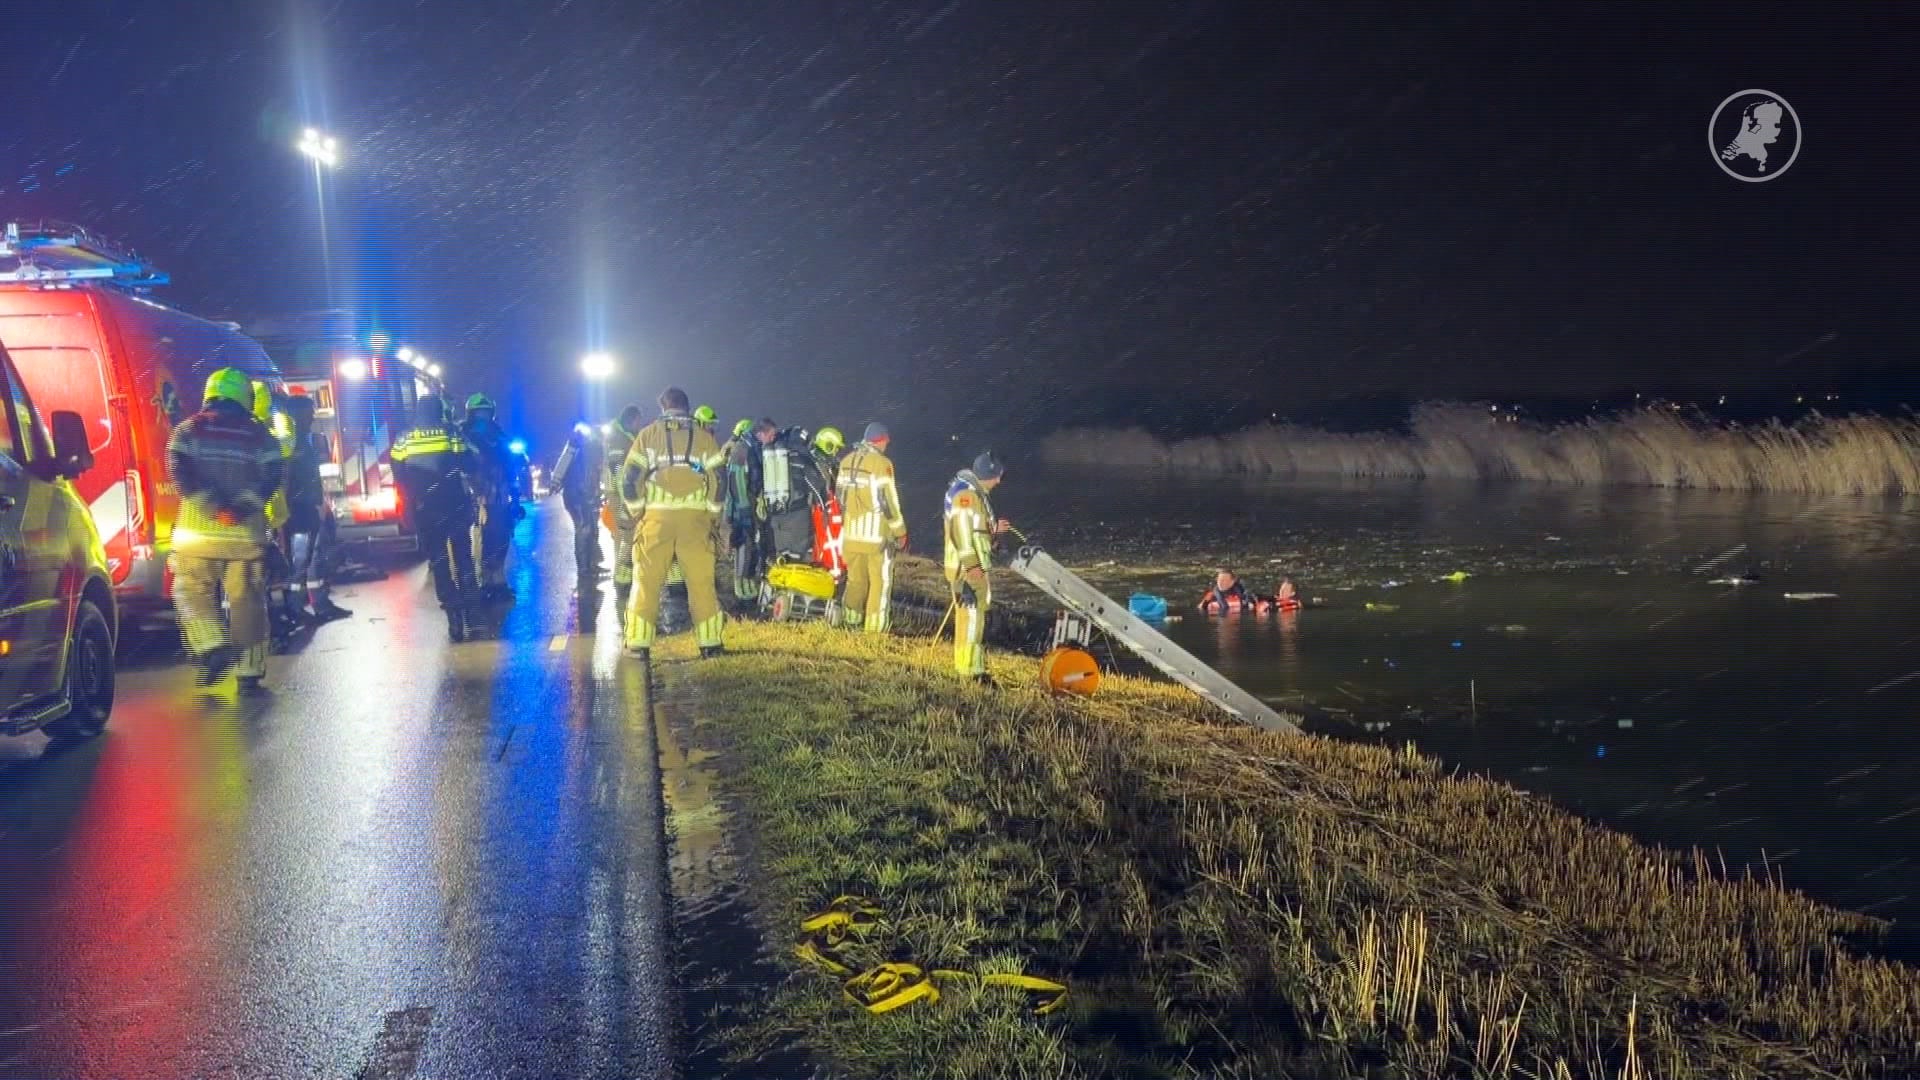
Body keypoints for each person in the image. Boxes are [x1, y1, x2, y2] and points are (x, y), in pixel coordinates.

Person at [168, 367, 284, 693]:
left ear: (210, 393)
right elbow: (272, 476)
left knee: (191, 591)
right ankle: (249, 671)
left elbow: (180, 473)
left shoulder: (187, 430)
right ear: (245, 397)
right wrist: (240, 508)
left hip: (197, 535)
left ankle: (211, 646)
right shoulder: (261, 435)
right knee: (249, 601)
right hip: (246, 535)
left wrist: (212, 507)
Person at [618, 386, 727, 660]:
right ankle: (710, 644)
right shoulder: (704, 438)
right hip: (695, 522)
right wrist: (712, 515)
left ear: (663, 407)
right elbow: (719, 480)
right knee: (702, 584)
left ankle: (638, 645)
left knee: (646, 583)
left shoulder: (647, 436)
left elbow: (629, 480)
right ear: (687, 408)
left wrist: (638, 511)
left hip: (656, 521)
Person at [392, 396, 481, 642]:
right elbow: (469, 463)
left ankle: (453, 615)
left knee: (439, 561)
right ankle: (472, 612)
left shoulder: (404, 438)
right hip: (454, 504)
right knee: (463, 558)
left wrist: (414, 495)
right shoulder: (450, 433)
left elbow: (398, 471)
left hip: (425, 509)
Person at [279, 390, 351, 623]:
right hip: (298, 510)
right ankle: (295, 609)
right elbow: (287, 479)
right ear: (296, 415)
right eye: (308, 413)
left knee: (314, 558)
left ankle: (318, 604)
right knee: (300, 560)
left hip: (308, 507)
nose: (312, 417)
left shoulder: (301, 440)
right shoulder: (290, 442)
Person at [943, 451, 1011, 683]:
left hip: (968, 567)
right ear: (987, 475)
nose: (998, 481)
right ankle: (970, 671)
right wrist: (972, 566)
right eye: (997, 476)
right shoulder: (967, 496)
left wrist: (994, 531)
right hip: (967, 569)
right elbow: (961, 533)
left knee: (970, 618)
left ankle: (968, 665)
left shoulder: (971, 494)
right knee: (972, 619)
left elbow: (974, 529)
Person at [835, 423, 905, 634]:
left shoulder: (846, 461)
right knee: (880, 583)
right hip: (876, 539)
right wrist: (900, 531)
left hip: (850, 537)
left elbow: (839, 498)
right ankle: (874, 631)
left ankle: (850, 622)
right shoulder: (882, 464)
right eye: (886, 442)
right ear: (880, 441)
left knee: (855, 581)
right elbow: (888, 502)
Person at [461, 392, 519, 600]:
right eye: (479, 413)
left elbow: (511, 464)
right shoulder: (463, 435)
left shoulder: (499, 435)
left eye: (486, 413)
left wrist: (515, 495)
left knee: (502, 535)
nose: (483, 418)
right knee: (482, 538)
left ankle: (498, 580)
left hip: (500, 494)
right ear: (471, 414)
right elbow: (464, 467)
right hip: (476, 496)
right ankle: (484, 581)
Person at [724, 418, 772, 600]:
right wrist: (744, 508)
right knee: (743, 543)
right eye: (770, 435)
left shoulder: (755, 448)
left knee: (753, 543)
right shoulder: (741, 450)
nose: (772, 438)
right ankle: (740, 583)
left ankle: (749, 579)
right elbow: (736, 482)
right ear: (761, 433)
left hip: (751, 502)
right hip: (741, 506)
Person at [603, 404, 644, 610]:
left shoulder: (622, 437)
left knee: (625, 536)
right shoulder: (619, 440)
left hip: (621, 495)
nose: (639, 425)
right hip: (621, 496)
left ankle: (624, 578)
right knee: (626, 536)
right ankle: (622, 582)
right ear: (631, 419)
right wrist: (629, 502)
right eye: (638, 421)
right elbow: (619, 471)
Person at [551, 421, 606, 577]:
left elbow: (598, 472)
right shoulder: (576, 446)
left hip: (588, 494)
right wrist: (555, 482)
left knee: (592, 529)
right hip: (576, 495)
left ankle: (592, 564)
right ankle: (584, 567)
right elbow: (563, 463)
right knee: (584, 528)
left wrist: (599, 492)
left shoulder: (595, 448)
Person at [1198, 569, 1267, 616]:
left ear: (1232, 581)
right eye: (1219, 580)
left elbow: (1255, 601)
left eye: (1224, 580)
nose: (1220, 583)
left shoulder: (1242, 590)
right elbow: (1201, 608)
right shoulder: (1212, 594)